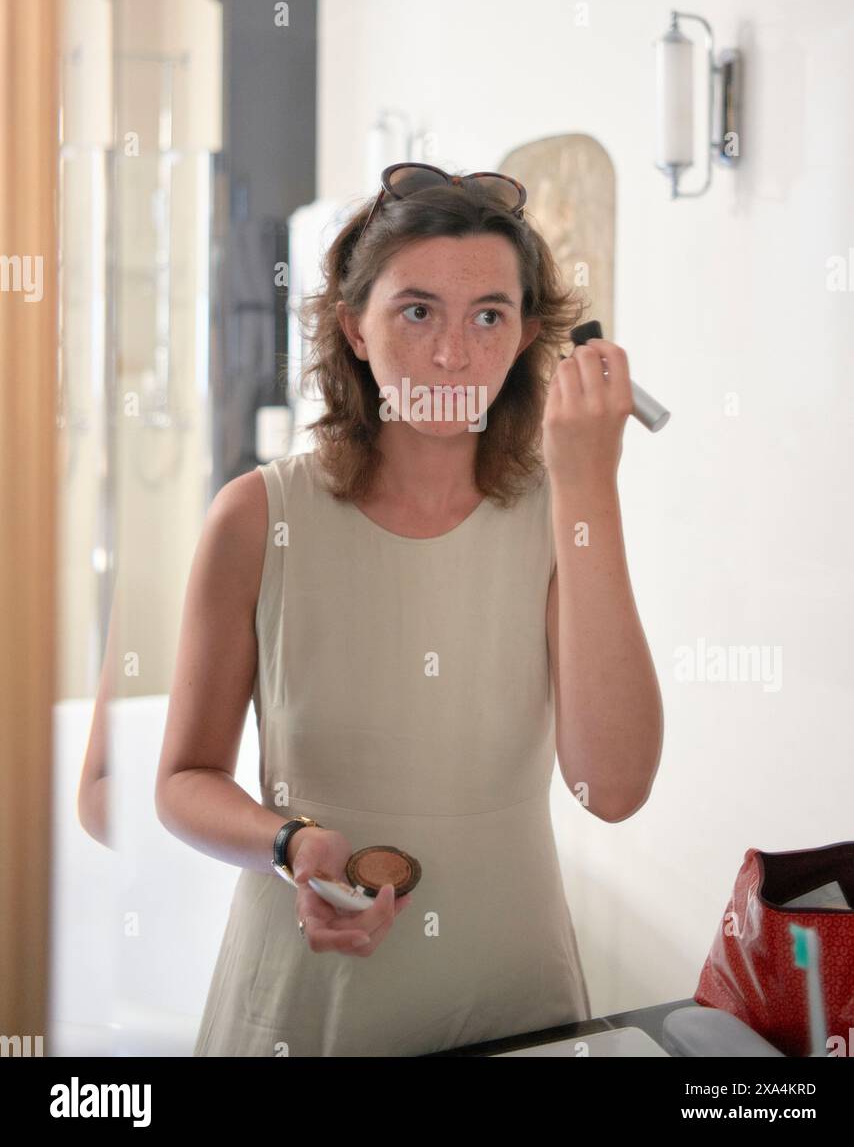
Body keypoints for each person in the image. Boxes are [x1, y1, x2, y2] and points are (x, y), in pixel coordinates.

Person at [156, 164, 654, 1056]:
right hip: (304, 1007)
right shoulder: (256, 518)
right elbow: (183, 780)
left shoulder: (562, 511)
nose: (454, 355)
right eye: (417, 311)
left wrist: (589, 486)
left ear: (527, 337)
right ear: (353, 325)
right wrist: (288, 842)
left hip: (510, 1003)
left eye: (489, 316)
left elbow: (611, 788)